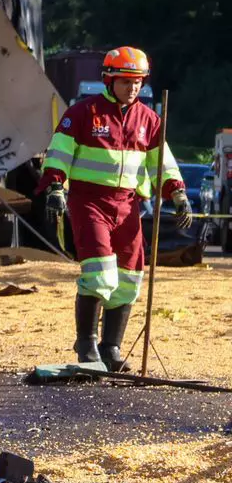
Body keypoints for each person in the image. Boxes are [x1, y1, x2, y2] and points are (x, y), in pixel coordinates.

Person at [38, 46, 189, 371]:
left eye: (137, 82)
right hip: (89, 202)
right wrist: (54, 186)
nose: (132, 88)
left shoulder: (149, 119)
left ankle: (111, 348)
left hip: (128, 207)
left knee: (130, 277)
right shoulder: (82, 113)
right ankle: (87, 344)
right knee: (100, 273)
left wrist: (177, 193)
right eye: (125, 81)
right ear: (108, 79)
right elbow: (59, 150)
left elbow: (161, 162)